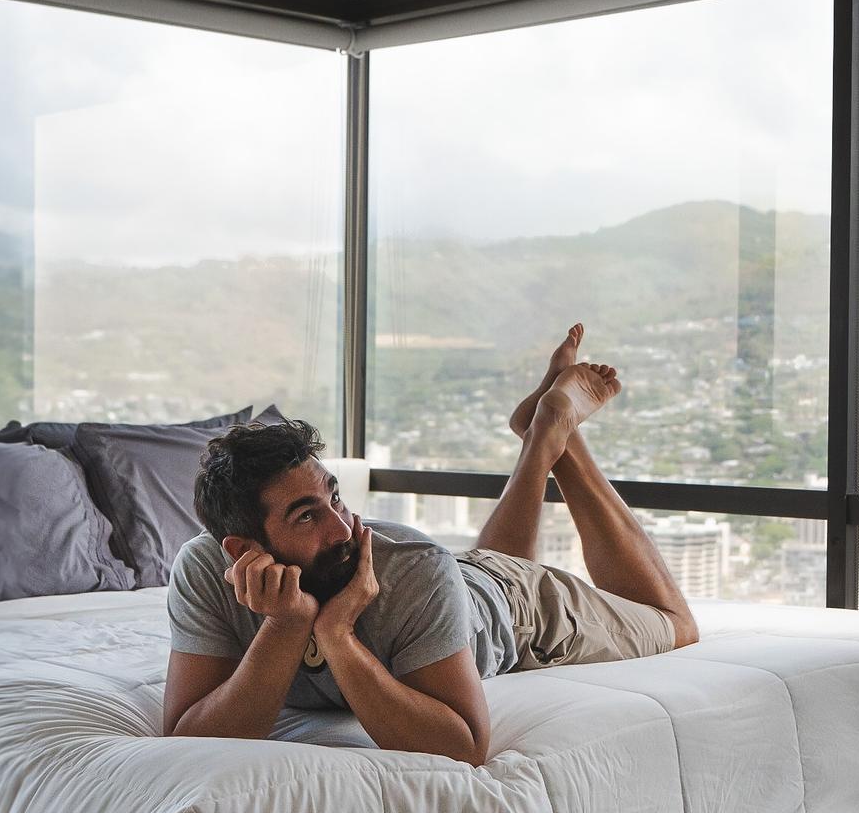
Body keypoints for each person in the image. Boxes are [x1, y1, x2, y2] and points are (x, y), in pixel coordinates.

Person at [163, 324, 698, 762]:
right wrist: (287, 624)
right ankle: (539, 434)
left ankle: (560, 431)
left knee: (675, 625)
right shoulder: (204, 571)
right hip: (452, 582)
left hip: (517, 605)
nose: (343, 528)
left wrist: (338, 636)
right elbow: (187, 736)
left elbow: (463, 746)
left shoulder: (414, 570)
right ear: (242, 549)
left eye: (335, 497)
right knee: (478, 566)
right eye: (307, 517)